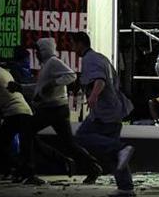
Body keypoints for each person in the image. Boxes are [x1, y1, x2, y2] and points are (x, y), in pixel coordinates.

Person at [26, 37, 103, 184]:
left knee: (27, 131)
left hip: (52, 109)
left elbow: (71, 75)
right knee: (69, 144)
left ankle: (29, 171)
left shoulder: (53, 62)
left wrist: (54, 83)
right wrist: (21, 87)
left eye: (37, 51)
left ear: (44, 50)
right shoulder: (47, 66)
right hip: (57, 109)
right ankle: (93, 167)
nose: (35, 54)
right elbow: (39, 89)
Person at [71, 32, 136, 197]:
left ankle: (122, 148)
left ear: (80, 44)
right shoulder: (101, 58)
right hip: (114, 111)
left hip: (104, 113)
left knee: (82, 136)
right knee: (115, 154)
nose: (72, 48)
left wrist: (93, 96)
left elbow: (100, 80)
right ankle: (126, 188)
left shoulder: (89, 59)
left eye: (73, 44)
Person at [0, 51, 41, 185]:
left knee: (1, 144)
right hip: (22, 111)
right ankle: (21, 171)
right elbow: (0, 98)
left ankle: (17, 170)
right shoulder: (5, 73)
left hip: (14, 113)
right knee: (24, 145)